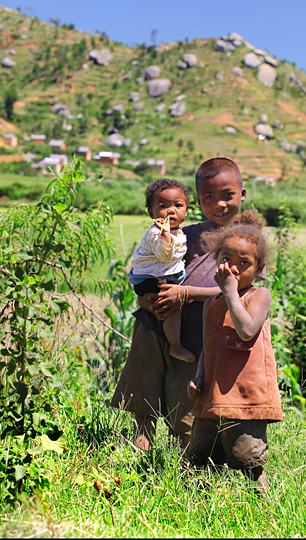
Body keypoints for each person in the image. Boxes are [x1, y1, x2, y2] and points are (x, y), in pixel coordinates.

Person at [110, 158, 247, 451]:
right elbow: (155, 267)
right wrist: (144, 298)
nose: (219, 204)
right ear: (198, 201)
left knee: (185, 396)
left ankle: (185, 459)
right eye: (209, 197)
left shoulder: (246, 243)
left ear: (242, 195)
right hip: (157, 320)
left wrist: (184, 294)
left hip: (199, 334)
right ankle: (141, 446)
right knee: (144, 381)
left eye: (228, 195)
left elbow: (238, 291)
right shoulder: (189, 234)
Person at [187, 211, 282, 493]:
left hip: (246, 397)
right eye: (227, 259)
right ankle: (198, 506)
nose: (235, 268)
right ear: (217, 262)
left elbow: (246, 329)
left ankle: (266, 509)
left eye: (245, 263)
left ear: (260, 268)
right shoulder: (212, 304)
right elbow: (209, 345)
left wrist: (230, 293)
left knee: (246, 459)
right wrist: (199, 378)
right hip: (213, 396)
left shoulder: (259, 296)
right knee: (200, 458)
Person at [128, 179, 194, 363]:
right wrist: (165, 234)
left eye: (178, 205)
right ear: (152, 212)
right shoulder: (156, 233)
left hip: (160, 275)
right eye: (163, 206)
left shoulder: (178, 231)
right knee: (171, 310)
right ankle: (175, 347)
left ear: (186, 211)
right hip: (151, 278)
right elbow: (164, 256)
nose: (171, 210)